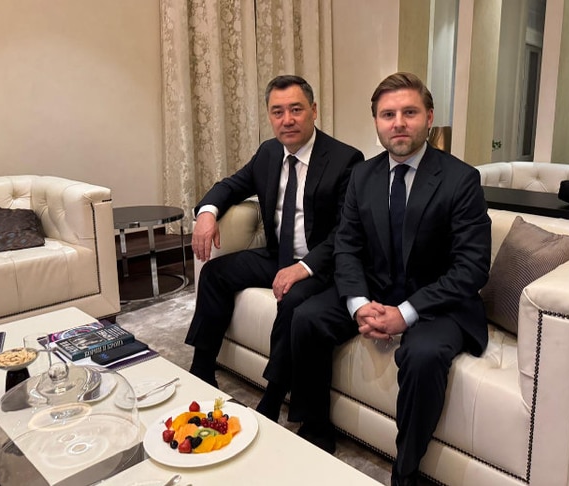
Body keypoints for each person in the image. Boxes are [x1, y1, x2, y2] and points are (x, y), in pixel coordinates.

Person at [285, 72, 492, 486]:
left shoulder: (461, 179)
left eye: (409, 113)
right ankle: (316, 430)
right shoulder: (363, 176)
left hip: (438, 303)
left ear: (428, 118)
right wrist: (358, 304)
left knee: (423, 356)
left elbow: (471, 267)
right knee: (306, 317)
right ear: (377, 122)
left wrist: (406, 313)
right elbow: (347, 247)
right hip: (376, 290)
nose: (398, 123)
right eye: (387, 115)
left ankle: (406, 470)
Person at [185, 75, 364, 401]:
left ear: (313, 110)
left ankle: (273, 395)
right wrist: (207, 213)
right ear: (269, 116)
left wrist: (303, 267)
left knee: (292, 299)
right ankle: (202, 368)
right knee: (213, 274)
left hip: (319, 265)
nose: (287, 120)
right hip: (276, 256)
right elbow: (231, 185)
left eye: (296, 109)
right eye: (278, 112)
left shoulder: (345, 160)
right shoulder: (269, 153)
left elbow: (344, 231)